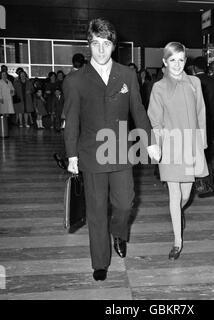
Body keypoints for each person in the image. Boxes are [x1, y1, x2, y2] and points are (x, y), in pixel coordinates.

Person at [64, 18, 159, 281]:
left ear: (113, 46)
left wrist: (150, 141)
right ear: (89, 46)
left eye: (106, 44)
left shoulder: (127, 74)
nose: (101, 50)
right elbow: (71, 120)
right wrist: (72, 154)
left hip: (120, 150)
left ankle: (119, 233)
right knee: (95, 210)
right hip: (91, 154)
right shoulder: (75, 81)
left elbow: (138, 110)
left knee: (125, 203)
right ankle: (100, 262)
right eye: (96, 44)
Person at [147, 42, 208, 260]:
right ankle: (177, 242)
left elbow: (201, 113)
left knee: (185, 195)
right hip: (170, 146)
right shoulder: (159, 88)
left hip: (191, 145)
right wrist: (156, 145)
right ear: (165, 62)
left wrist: (202, 145)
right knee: (174, 195)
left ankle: (178, 213)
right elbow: (154, 120)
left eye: (181, 60)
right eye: (172, 60)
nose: (177, 64)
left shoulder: (195, 82)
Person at [194, 56, 214, 162]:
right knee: (207, 146)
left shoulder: (192, 81)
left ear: (195, 68)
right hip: (210, 118)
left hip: (195, 119)